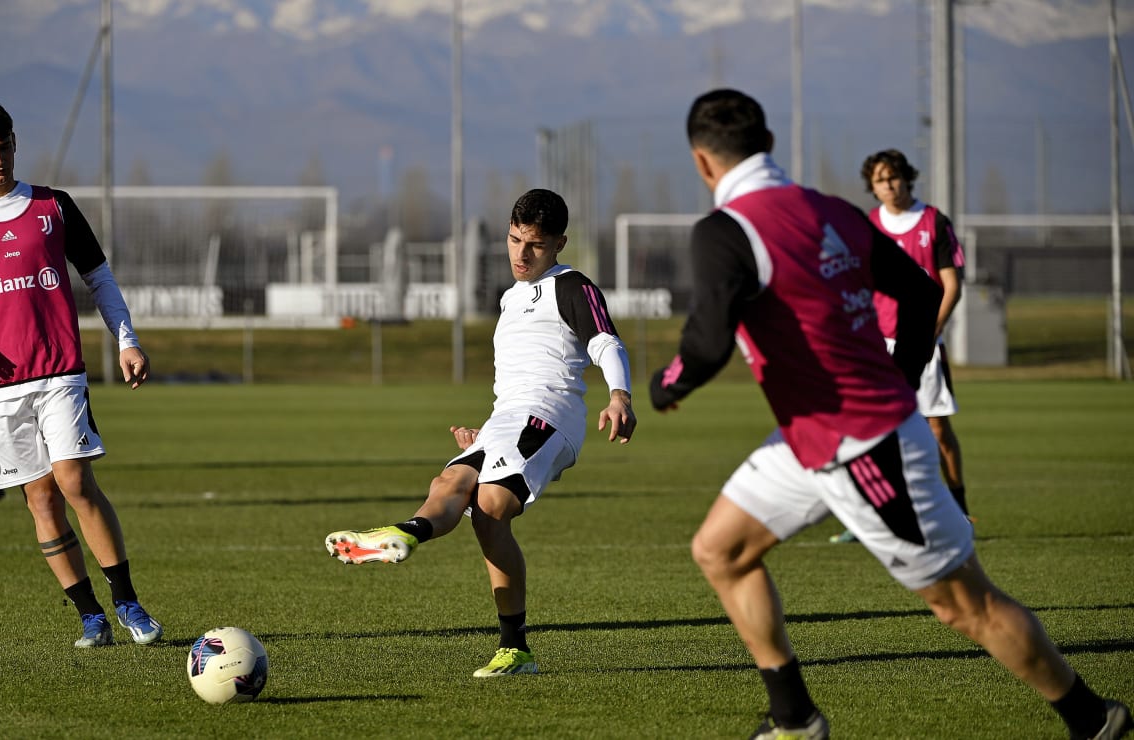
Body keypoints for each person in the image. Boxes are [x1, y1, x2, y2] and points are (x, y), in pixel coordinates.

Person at [648, 89, 1129, 739]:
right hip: (811, 437)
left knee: (968, 606)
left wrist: (665, 383)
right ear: (769, 145)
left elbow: (705, 347)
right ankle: (793, 720)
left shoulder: (725, 229)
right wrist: (903, 375)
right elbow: (923, 289)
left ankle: (1093, 719)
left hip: (865, 448)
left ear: (702, 162)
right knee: (721, 551)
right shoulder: (835, 211)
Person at [325, 188, 637, 678]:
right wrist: (488, 434)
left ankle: (508, 640)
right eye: (514, 240)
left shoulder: (572, 286)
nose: (521, 253)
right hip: (505, 422)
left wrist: (619, 396)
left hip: (548, 417)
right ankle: (406, 535)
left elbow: (605, 342)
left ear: (559, 243)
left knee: (491, 504)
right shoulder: (511, 298)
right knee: (453, 489)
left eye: (534, 244)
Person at [0, 102, 163, 649]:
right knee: (42, 498)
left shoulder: (52, 206)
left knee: (74, 480)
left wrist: (128, 340)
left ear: (14, 143)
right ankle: (90, 615)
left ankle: (128, 602)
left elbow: (98, 276)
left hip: (58, 373)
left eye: (3, 146)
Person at [830, 149, 970, 545]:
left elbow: (952, 286)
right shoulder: (867, 225)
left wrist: (928, 334)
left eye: (893, 177)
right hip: (875, 345)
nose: (888, 185)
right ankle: (866, 514)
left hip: (924, 343)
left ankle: (959, 508)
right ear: (871, 187)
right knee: (868, 430)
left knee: (937, 428)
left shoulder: (933, 221)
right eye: (879, 180)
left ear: (907, 178)